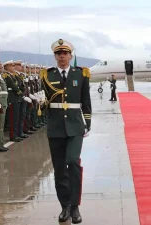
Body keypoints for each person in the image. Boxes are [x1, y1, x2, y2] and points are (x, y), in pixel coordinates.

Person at [39, 38, 92, 223]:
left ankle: (75, 206)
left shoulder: (81, 74)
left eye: (65, 54)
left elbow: (86, 100)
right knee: (60, 168)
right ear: (55, 57)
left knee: (73, 162)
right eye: (59, 54)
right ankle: (65, 206)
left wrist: (87, 121)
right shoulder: (47, 75)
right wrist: (41, 104)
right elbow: (44, 101)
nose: (62, 57)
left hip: (76, 125)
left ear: (70, 56)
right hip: (55, 126)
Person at [0, 61, 8, 152]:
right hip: (0, 104)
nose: (2, 66)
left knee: (1, 125)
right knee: (0, 126)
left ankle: (0, 143)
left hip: (3, 103)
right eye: (0, 64)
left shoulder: (0, 77)